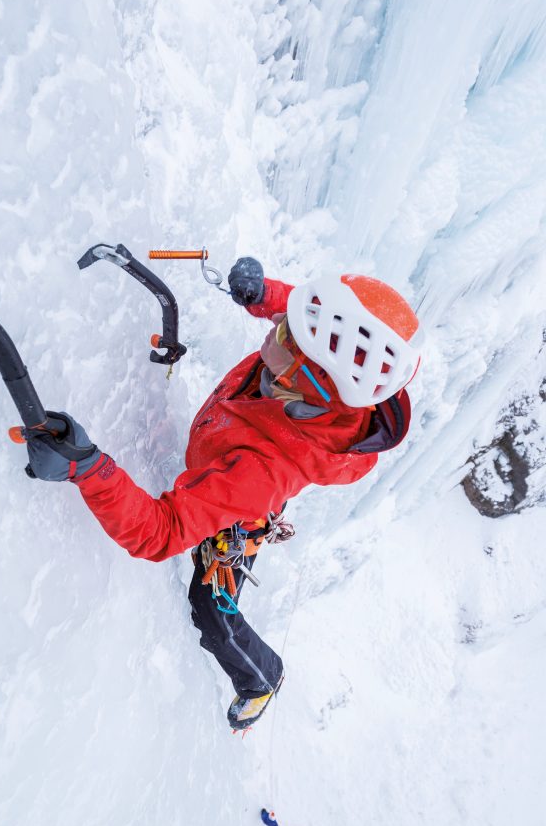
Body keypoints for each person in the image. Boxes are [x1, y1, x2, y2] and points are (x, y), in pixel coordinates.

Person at [21, 259, 422, 730]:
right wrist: (266, 294)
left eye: (286, 336)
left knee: (210, 609)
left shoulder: (259, 472)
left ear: (311, 379)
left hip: (242, 510)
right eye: (290, 324)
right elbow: (315, 321)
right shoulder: (321, 382)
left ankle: (261, 679)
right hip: (242, 454)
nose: (277, 328)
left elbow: (160, 533)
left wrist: (86, 468)